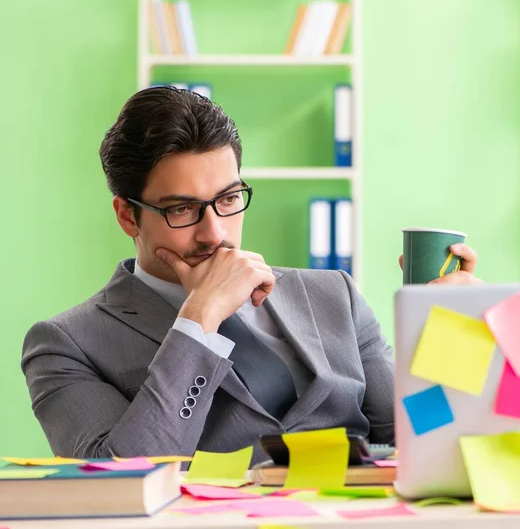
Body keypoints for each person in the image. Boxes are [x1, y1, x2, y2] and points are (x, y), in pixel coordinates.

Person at [22, 87, 480, 462]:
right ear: (127, 216)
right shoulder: (66, 343)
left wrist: (451, 337)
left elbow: (420, 439)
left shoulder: (333, 294)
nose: (214, 233)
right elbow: (116, 483)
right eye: (182, 208)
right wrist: (198, 320)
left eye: (227, 199)